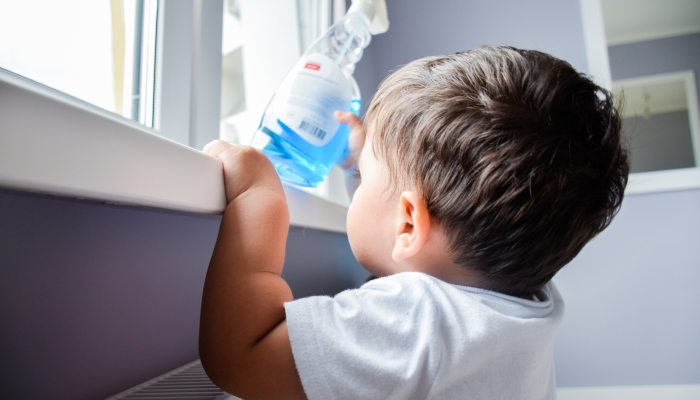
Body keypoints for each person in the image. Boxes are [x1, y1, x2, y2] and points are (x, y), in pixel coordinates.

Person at [198, 46, 629, 400]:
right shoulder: (527, 300)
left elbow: (242, 356)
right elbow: (419, 222)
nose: (358, 180)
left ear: (407, 225)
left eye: (363, 176)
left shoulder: (418, 323)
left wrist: (259, 199)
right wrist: (373, 159)